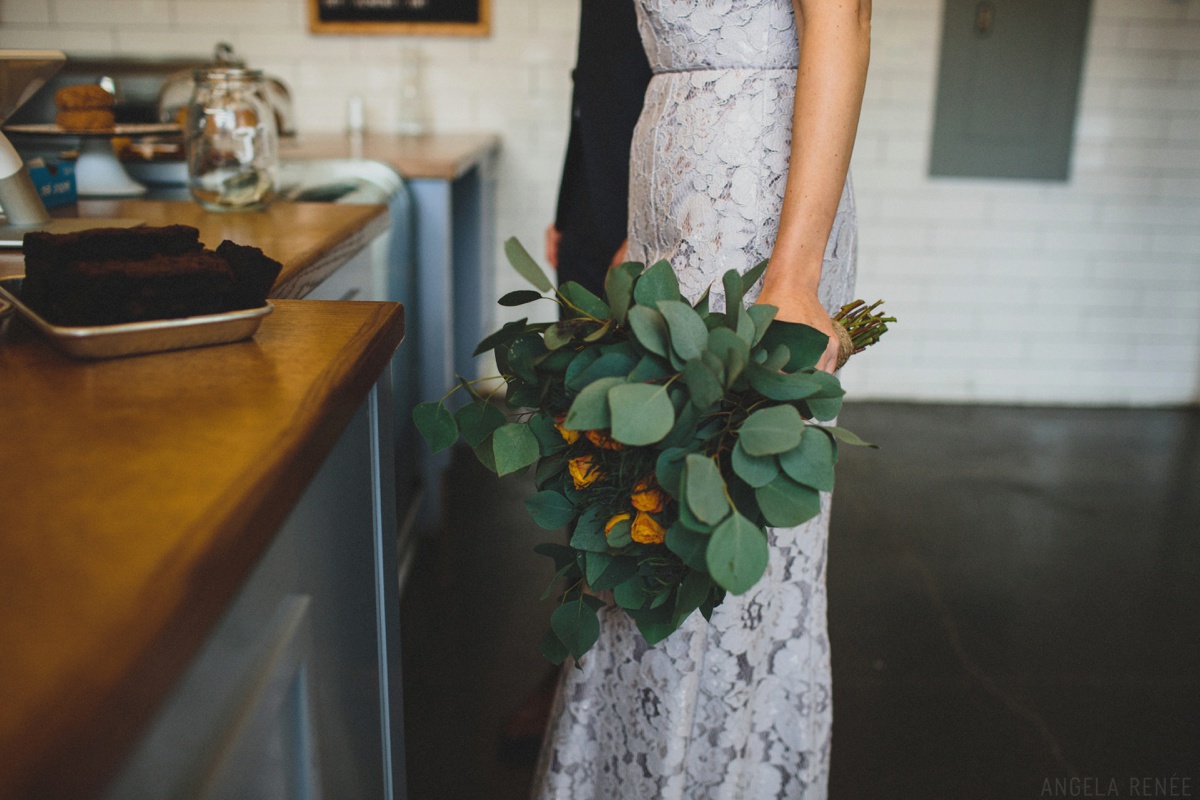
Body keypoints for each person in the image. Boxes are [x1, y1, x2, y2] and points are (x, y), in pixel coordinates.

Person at [532, 1, 871, 798]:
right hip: (673, 201)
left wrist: (793, 273)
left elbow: (843, 17)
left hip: (750, 214)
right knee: (637, 519)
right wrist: (640, 232)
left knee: (712, 526)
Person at [544, 0, 651, 297]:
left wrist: (640, 230)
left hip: (639, 214)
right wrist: (564, 213)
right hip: (585, 210)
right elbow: (587, 92)